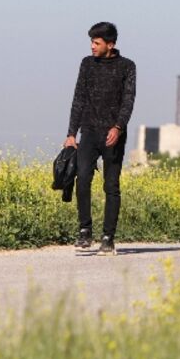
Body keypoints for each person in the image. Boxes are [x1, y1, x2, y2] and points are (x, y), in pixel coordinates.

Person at [64, 22, 136, 255]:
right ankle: (85, 231)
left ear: (110, 44)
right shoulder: (87, 64)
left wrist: (118, 127)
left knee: (111, 186)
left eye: (97, 43)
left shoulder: (127, 67)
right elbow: (78, 98)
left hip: (113, 135)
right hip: (89, 132)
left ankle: (108, 237)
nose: (92, 46)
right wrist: (71, 134)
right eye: (91, 42)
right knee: (82, 178)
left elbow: (128, 100)